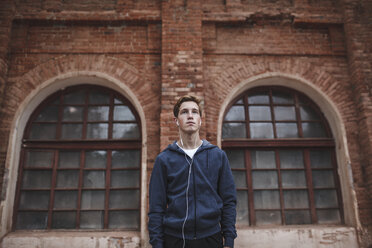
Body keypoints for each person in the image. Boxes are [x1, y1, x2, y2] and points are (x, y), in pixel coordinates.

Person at [148, 95, 237, 248]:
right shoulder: (164, 159)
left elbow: (229, 200)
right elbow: (156, 207)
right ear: (176, 120)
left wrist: (229, 240)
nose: (190, 116)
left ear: (200, 120)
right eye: (184, 112)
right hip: (175, 239)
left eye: (195, 112)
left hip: (211, 238)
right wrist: (157, 243)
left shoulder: (217, 155)